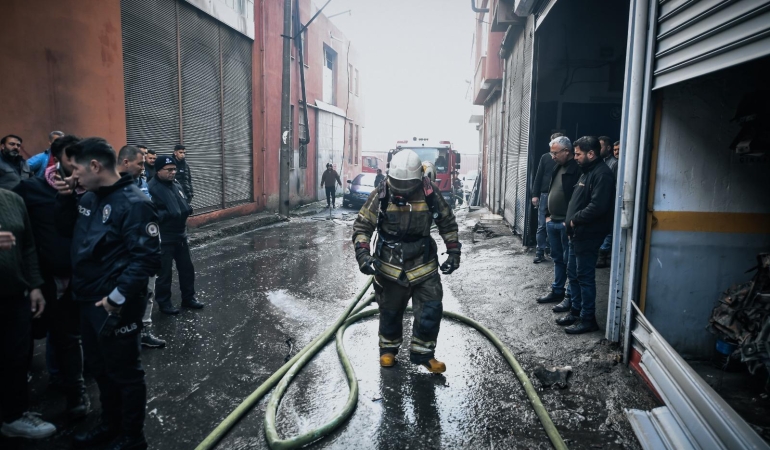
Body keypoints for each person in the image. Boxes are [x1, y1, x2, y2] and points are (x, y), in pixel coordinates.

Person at [54, 137, 161, 450]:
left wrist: (117, 298)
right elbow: (65, 232)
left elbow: (147, 259)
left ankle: (132, 437)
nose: (72, 176)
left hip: (115, 305)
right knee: (100, 369)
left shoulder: (135, 203)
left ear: (95, 166)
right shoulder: (88, 198)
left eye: (76, 171)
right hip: (87, 300)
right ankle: (109, 424)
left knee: (125, 373)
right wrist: (64, 198)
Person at [352, 149, 461, 373]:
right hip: (390, 267)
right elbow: (363, 226)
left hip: (423, 264)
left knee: (431, 309)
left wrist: (453, 251)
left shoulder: (430, 193)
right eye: (397, 183)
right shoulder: (381, 193)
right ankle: (388, 350)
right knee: (390, 311)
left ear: (419, 179)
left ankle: (424, 354)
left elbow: (447, 222)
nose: (401, 189)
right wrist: (363, 255)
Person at [13, 135, 90, 421]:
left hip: (76, 281)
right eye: (74, 158)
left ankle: (76, 393)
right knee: (23, 342)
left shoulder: (90, 192)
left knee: (69, 338)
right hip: (37, 281)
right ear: (57, 159)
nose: (80, 164)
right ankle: (17, 407)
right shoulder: (30, 189)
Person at [0, 189, 56, 439]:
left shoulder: (12, 199)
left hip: (14, 295)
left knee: (16, 356)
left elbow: (28, 247)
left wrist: (34, 285)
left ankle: (13, 416)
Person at [557, 136, 615, 334]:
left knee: (585, 277)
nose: (575, 157)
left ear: (591, 154)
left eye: (579, 154)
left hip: (588, 234)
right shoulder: (586, 171)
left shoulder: (602, 174)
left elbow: (598, 206)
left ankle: (588, 319)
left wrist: (574, 219)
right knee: (573, 274)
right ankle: (576, 312)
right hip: (577, 234)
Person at [118, 146, 166, 349]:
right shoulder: (113, 187)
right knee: (125, 294)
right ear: (126, 162)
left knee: (148, 290)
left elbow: (149, 209)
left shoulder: (142, 182)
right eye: (140, 163)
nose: (144, 167)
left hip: (147, 246)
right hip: (127, 253)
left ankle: (144, 330)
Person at [149, 155, 202, 315]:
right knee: (164, 273)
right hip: (164, 238)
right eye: (169, 170)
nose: (173, 172)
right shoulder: (151, 188)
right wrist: (168, 214)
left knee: (187, 269)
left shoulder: (175, 183)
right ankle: (164, 304)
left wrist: (186, 208)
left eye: (174, 169)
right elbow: (151, 213)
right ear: (159, 171)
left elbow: (182, 200)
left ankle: (189, 298)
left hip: (180, 235)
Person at [536, 136, 580, 310]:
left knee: (570, 262)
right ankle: (557, 290)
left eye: (555, 153)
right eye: (551, 153)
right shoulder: (557, 167)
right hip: (553, 221)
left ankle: (570, 296)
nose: (552, 156)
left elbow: (576, 199)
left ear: (566, 151)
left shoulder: (576, 169)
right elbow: (550, 191)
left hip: (565, 224)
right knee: (557, 259)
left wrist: (568, 221)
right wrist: (547, 215)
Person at [530, 132, 562, 263]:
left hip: (559, 195)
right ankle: (540, 252)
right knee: (542, 225)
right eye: (552, 142)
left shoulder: (566, 160)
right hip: (545, 194)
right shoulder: (545, 158)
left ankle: (552, 250)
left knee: (555, 224)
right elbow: (538, 176)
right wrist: (534, 195)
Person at [596, 136, 619, 269]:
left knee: (609, 228)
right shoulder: (602, 162)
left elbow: (615, 185)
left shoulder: (614, 164)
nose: (599, 150)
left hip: (610, 200)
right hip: (603, 200)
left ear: (608, 148)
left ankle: (603, 254)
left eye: (601, 147)